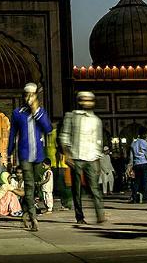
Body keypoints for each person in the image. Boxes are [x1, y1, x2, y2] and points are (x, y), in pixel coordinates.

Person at [8, 82, 53, 232]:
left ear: (36, 96)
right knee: (28, 186)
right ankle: (33, 218)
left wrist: (36, 111)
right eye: (27, 95)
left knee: (36, 186)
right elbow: (13, 133)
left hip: (39, 155)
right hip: (25, 155)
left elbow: (48, 128)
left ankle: (26, 212)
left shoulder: (41, 112)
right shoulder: (18, 113)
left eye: (31, 95)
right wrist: (9, 151)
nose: (29, 98)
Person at [60, 91, 105, 225]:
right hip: (76, 157)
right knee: (77, 190)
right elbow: (64, 136)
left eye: (89, 100)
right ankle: (79, 216)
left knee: (95, 188)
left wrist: (98, 159)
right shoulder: (71, 116)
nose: (86, 103)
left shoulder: (96, 120)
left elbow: (98, 141)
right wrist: (67, 154)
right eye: (84, 100)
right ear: (79, 101)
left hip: (92, 158)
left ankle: (100, 215)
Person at [129, 129, 147, 204]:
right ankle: (144, 198)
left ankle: (134, 198)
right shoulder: (145, 143)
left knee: (136, 181)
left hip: (136, 164)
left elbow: (131, 156)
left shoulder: (133, 143)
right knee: (144, 182)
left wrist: (131, 165)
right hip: (144, 164)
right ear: (144, 135)